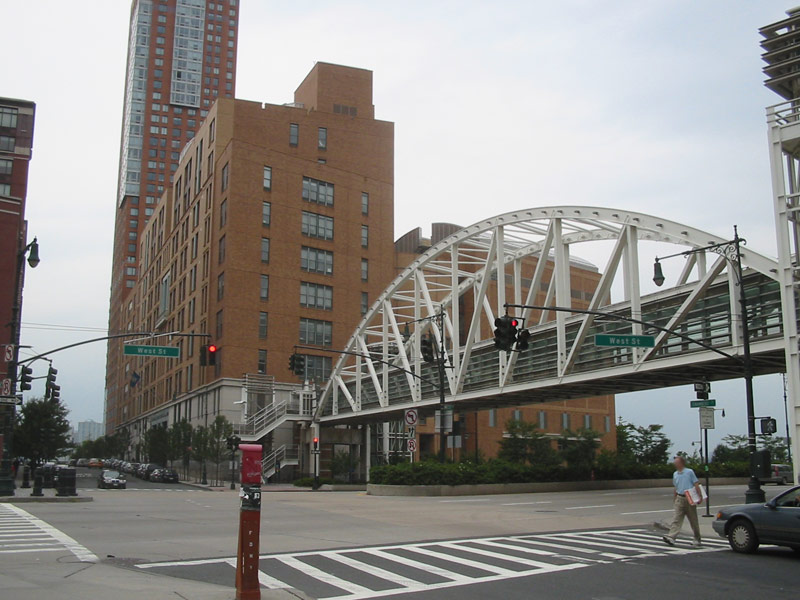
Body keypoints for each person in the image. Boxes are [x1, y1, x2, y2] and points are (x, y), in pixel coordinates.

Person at [662, 455, 702, 548]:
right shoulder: (675, 474)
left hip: (689, 498)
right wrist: (675, 498)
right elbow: (676, 487)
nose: (675, 464)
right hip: (680, 498)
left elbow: (696, 483)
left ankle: (697, 538)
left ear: (681, 463)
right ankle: (671, 537)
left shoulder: (689, 472)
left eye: (676, 462)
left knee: (693, 520)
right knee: (676, 519)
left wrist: (699, 496)